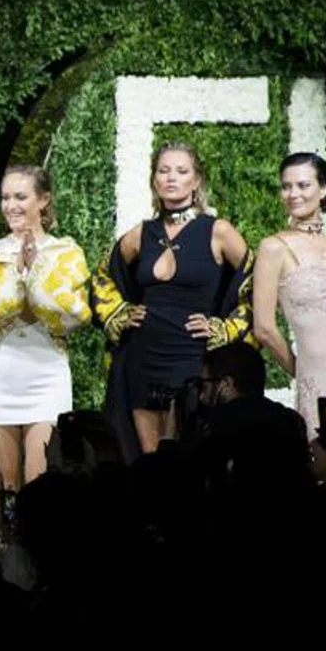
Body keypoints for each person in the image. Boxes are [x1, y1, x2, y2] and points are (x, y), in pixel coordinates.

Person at [90, 142, 253, 459]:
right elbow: (102, 276)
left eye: (181, 171)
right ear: (154, 180)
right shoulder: (142, 233)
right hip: (142, 357)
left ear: (196, 180)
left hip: (193, 358)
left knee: (190, 458)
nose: (171, 178)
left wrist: (225, 329)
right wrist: (120, 314)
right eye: (163, 171)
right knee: (148, 461)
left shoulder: (218, 231)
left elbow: (256, 281)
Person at [0, 166, 90, 490]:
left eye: (20, 197)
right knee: (0, 487)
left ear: (43, 200)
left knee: (43, 485)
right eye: (5, 198)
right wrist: (17, 280)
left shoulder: (66, 253)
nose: (10, 206)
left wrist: (35, 275)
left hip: (47, 377)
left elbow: (72, 315)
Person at [250, 152, 326, 438]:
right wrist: (300, 369)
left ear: (324, 189)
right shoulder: (273, 248)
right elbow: (264, 328)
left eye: (303, 185)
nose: (293, 193)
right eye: (286, 186)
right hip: (318, 374)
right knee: (325, 453)